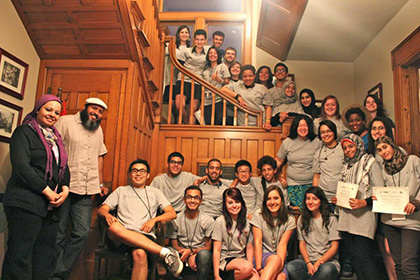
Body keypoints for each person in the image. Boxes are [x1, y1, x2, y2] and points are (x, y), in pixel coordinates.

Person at [2, 95, 70, 280]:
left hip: (51, 207)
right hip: (25, 202)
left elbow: (63, 168)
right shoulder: (24, 132)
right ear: (38, 109)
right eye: (48, 109)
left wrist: (65, 189)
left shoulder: (56, 138)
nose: (52, 115)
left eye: (57, 112)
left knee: (45, 256)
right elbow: (22, 167)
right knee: (20, 255)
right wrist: (47, 191)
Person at [52, 97, 108, 280]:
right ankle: (53, 275)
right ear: (85, 108)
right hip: (64, 187)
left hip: (85, 191)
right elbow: (51, 149)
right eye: (94, 109)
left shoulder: (98, 130)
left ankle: (59, 273)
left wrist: (100, 183)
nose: (96, 113)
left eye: (100, 111)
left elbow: (100, 155)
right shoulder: (65, 122)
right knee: (58, 233)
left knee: (82, 233)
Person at [97, 159, 183, 278]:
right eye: (135, 171)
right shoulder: (121, 190)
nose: (138, 174)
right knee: (114, 227)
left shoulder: (155, 192)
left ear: (148, 175)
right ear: (130, 174)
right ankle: (165, 252)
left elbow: (172, 213)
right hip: (120, 237)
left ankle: (165, 253)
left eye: (142, 171)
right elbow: (102, 209)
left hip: (144, 236)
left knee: (140, 254)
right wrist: (107, 214)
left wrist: (154, 220)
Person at [332, 134, 384, 280]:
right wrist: (338, 198)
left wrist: (364, 202)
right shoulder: (346, 165)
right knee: (355, 258)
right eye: (345, 148)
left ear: (359, 146)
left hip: (363, 216)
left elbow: (380, 191)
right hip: (346, 217)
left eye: (351, 146)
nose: (348, 150)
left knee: (364, 258)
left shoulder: (370, 163)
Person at [374, 136, 420, 280]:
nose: (383, 152)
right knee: (398, 265)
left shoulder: (412, 160)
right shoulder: (383, 168)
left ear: (392, 146)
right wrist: (377, 197)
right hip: (390, 221)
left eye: (385, 147)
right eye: (379, 150)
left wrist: (416, 202)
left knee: (408, 264)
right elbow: (381, 189)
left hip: (411, 221)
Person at [286, 187, 341, 280]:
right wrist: (308, 263)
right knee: (290, 267)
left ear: (321, 201)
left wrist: (319, 262)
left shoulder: (331, 219)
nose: (310, 202)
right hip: (307, 261)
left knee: (326, 271)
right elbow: (302, 244)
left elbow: (334, 247)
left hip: (327, 262)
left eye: (314, 199)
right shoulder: (302, 219)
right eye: (308, 199)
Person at [167, 186, 214, 279]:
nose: (192, 201)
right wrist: (187, 255)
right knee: (168, 252)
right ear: (184, 200)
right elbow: (174, 245)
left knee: (204, 255)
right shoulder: (175, 220)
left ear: (201, 201)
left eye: (196, 198)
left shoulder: (208, 220)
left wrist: (192, 252)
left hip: (199, 255)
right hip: (181, 255)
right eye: (189, 197)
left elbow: (207, 247)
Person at [276, 115, 321, 209]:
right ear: (295, 127)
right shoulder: (287, 142)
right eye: (300, 126)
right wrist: (277, 176)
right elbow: (278, 160)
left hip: (312, 185)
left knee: (312, 209)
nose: (303, 128)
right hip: (293, 185)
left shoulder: (317, 142)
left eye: (305, 125)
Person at [251, 185, 296, 280]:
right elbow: (258, 242)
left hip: (280, 257)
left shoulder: (290, 219)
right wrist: (259, 269)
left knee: (281, 277)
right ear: (265, 202)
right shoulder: (258, 215)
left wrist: (278, 267)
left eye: (276, 198)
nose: (272, 202)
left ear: (282, 201)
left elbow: (282, 245)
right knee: (274, 259)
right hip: (261, 256)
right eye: (269, 199)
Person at [213, 188, 258, 280]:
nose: (234, 205)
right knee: (247, 267)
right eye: (230, 203)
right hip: (225, 261)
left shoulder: (247, 222)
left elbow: (249, 247)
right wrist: (216, 275)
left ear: (241, 203)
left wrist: (251, 268)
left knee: (256, 278)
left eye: (237, 202)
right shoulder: (220, 221)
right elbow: (216, 249)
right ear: (225, 205)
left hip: (242, 260)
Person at [221, 64, 272, 130]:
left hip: (260, 124)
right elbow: (223, 89)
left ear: (254, 76)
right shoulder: (237, 85)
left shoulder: (263, 88)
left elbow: (268, 106)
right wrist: (237, 96)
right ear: (242, 77)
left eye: (250, 76)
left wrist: (268, 122)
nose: (247, 78)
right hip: (242, 125)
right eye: (245, 76)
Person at [175, 29, 209, 124]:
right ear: (194, 40)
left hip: (198, 83)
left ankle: (188, 132)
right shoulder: (187, 51)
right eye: (197, 39)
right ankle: (186, 123)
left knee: (192, 111)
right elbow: (179, 65)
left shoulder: (208, 52)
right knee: (179, 106)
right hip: (183, 80)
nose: (199, 42)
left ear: (205, 40)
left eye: (202, 39)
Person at [202, 46, 231, 125]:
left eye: (215, 53)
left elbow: (227, 82)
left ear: (218, 55)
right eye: (210, 53)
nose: (212, 55)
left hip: (218, 99)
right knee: (208, 123)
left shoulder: (222, 66)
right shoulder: (205, 69)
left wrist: (219, 80)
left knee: (219, 122)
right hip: (206, 100)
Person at [163, 25, 191, 103]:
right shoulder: (171, 45)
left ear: (189, 35)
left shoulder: (190, 49)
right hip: (171, 79)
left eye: (186, 32)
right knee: (170, 102)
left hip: (183, 80)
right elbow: (163, 52)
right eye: (182, 32)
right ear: (178, 34)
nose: (184, 34)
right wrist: (171, 49)